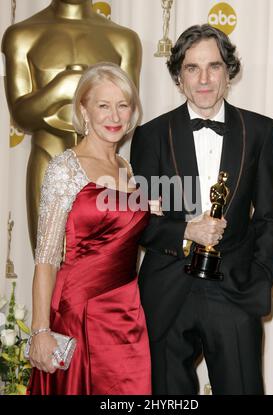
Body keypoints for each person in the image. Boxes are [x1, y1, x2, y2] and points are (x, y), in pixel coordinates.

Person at [131, 24, 273, 395]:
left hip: (233, 291)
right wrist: (185, 232)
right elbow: (140, 221)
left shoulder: (260, 131)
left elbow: (269, 217)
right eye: (192, 68)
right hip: (167, 292)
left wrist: (259, 277)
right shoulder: (151, 135)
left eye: (213, 66)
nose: (203, 79)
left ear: (228, 71)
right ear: (178, 76)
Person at [26, 62, 151, 395]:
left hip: (127, 315)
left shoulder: (128, 167)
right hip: (78, 313)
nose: (114, 116)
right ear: (84, 109)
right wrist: (40, 330)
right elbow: (47, 257)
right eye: (103, 105)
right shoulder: (65, 168)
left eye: (123, 105)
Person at [1, 0, 142, 252]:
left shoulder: (123, 40)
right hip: (48, 158)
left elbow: (124, 115)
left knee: (107, 263)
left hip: (106, 167)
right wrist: (61, 87)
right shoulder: (22, 35)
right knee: (50, 262)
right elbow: (21, 115)